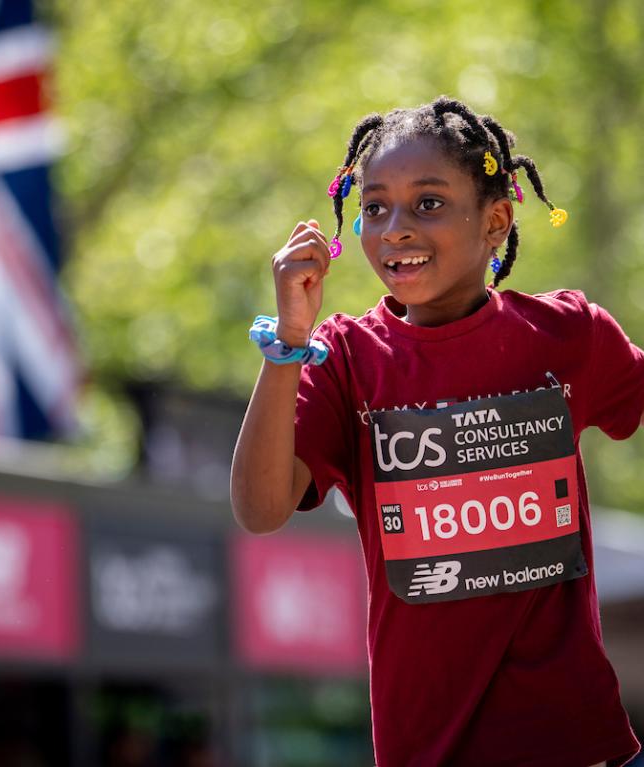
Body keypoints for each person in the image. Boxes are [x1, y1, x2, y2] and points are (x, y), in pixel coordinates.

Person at [230, 96, 644, 767]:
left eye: (427, 203)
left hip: (579, 748)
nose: (394, 228)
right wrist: (289, 341)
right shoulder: (342, 358)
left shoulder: (570, 334)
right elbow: (259, 507)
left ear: (495, 220)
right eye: (374, 206)